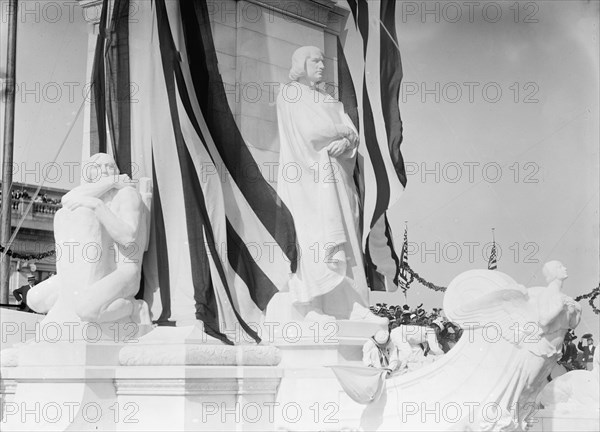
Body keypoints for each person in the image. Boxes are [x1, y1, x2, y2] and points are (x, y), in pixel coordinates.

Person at [276, 46, 384, 325]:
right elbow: (313, 133)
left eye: (323, 61)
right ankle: (310, 306)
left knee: (345, 237)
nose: (322, 66)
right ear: (300, 63)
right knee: (314, 239)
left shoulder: (327, 99)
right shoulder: (291, 94)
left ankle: (352, 304)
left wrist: (348, 141)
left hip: (337, 178)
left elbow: (351, 136)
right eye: (315, 60)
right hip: (307, 182)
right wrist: (343, 131)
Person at [27, 153, 151, 338]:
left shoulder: (126, 194)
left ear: (116, 170)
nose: (104, 171)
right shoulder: (94, 194)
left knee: (86, 310)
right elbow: (67, 200)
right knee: (34, 299)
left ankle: (135, 307)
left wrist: (97, 206)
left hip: (124, 272)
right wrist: (108, 185)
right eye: (98, 168)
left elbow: (128, 237)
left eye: (109, 167)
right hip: (92, 275)